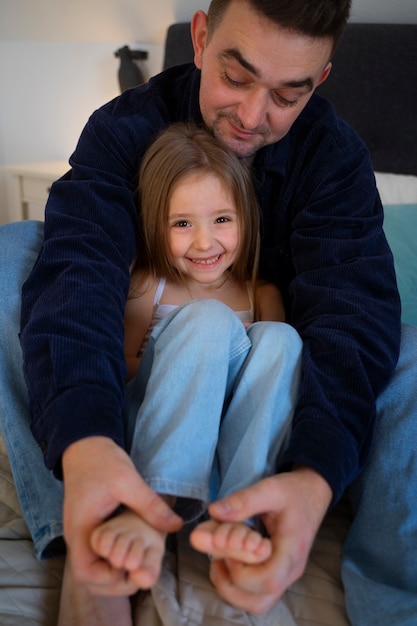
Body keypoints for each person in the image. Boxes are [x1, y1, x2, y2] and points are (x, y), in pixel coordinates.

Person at [0, 0, 415, 624]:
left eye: (287, 94)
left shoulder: (334, 157)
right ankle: (95, 532)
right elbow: (78, 271)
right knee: (13, 254)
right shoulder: (124, 128)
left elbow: (355, 316)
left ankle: (394, 603)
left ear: (321, 77)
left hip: (278, 385)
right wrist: (86, 440)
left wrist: (317, 477)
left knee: (407, 356)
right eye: (237, 76)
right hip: (148, 377)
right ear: (200, 38)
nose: (252, 116)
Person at [90, 121, 300, 579]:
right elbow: (122, 369)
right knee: (208, 320)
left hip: (228, 436)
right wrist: (194, 357)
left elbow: (272, 384)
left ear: (246, 217)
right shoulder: (150, 284)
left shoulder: (258, 292)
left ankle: (242, 510)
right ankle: (154, 501)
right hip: (160, 417)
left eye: (222, 219)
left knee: (284, 340)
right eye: (182, 224)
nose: (205, 243)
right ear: (155, 225)